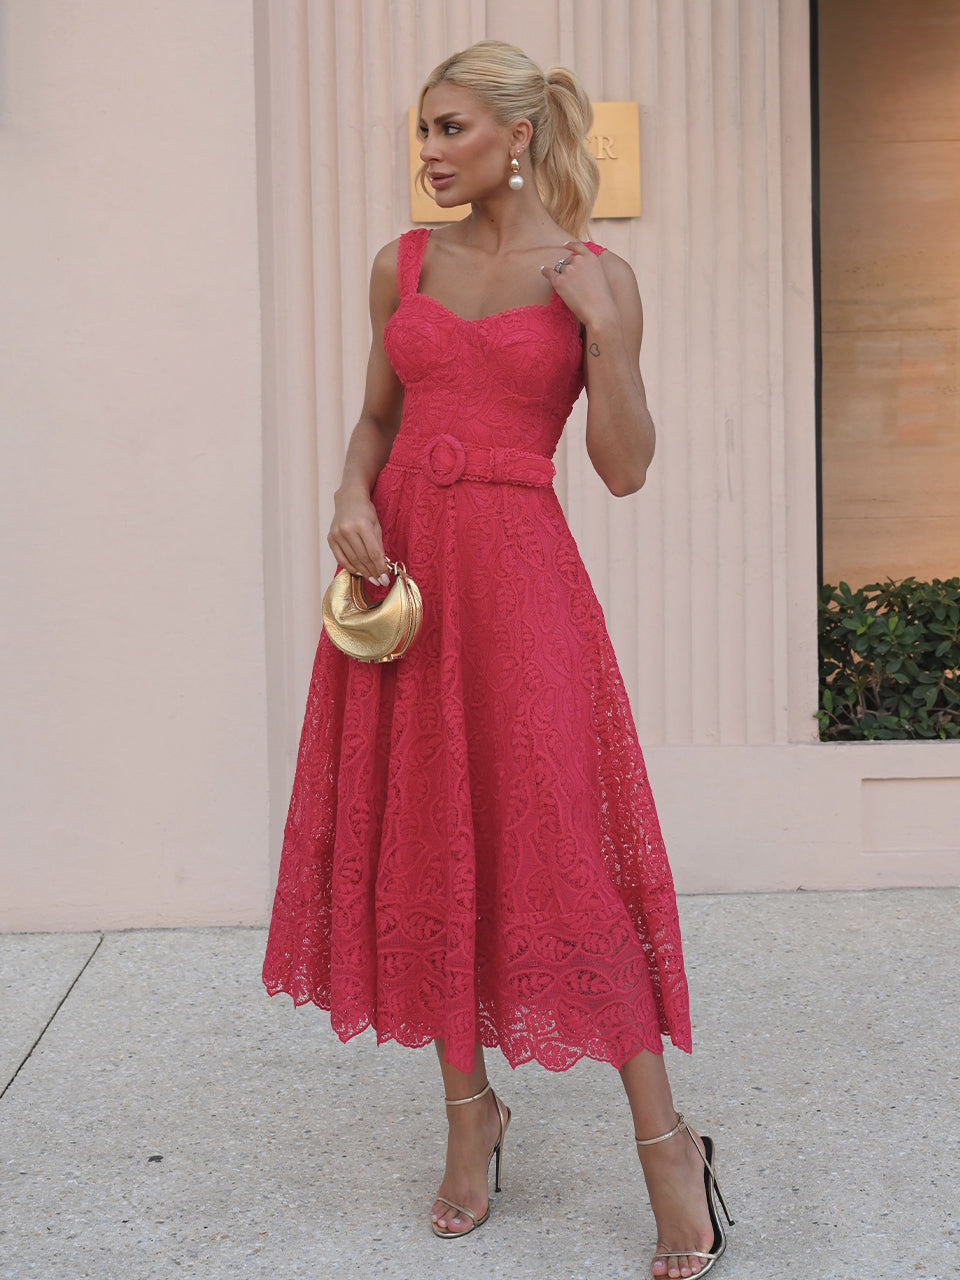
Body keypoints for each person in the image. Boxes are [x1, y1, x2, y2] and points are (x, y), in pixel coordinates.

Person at [263, 39, 733, 1280]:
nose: (428, 152)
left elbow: (626, 467)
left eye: (450, 129)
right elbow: (375, 419)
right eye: (421, 131)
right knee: (432, 835)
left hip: (522, 581)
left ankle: (668, 1146)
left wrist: (608, 341)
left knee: (564, 845)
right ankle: (471, 1122)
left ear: (516, 136)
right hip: (409, 578)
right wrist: (348, 496)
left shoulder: (595, 274)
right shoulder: (399, 265)